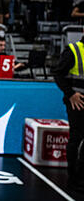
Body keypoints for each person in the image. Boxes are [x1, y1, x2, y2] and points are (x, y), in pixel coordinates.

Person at [53, 36, 84, 196]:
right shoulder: (74, 50)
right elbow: (58, 74)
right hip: (77, 104)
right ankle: (74, 180)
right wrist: (71, 94)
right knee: (76, 139)